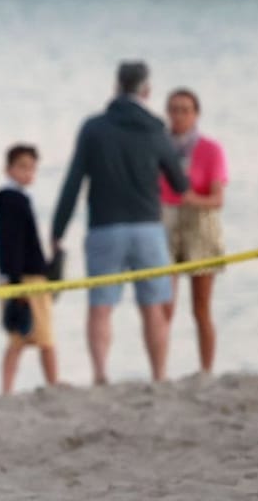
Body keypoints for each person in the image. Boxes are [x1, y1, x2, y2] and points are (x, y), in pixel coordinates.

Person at [50, 61, 190, 384]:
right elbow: (180, 184)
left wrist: (57, 231)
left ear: (116, 87)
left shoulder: (94, 128)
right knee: (154, 306)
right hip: (147, 228)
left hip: (104, 227)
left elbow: (73, 182)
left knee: (101, 306)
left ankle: (100, 375)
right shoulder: (156, 128)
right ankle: (159, 375)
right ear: (147, 91)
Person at [160, 88, 228, 375]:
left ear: (195, 114)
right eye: (174, 109)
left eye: (185, 110)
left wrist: (192, 199)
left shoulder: (210, 149)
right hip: (166, 221)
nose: (178, 116)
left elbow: (218, 198)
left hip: (200, 223)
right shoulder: (158, 147)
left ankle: (206, 369)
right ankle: (160, 370)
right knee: (164, 306)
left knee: (201, 307)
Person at [0, 144, 60, 394]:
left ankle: (7, 390)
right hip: (25, 279)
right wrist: (18, 283)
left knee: (17, 340)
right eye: (22, 167)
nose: (28, 172)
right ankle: (53, 384)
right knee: (45, 339)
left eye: (31, 168)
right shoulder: (15, 201)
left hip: (16, 278)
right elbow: (14, 245)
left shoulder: (13, 200)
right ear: (8, 169)